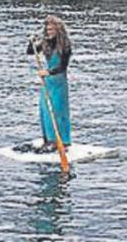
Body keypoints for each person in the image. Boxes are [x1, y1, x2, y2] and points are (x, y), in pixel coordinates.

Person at [26, 16, 73, 153]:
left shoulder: (65, 45)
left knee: (58, 111)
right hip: (47, 82)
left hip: (58, 81)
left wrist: (48, 72)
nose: (49, 31)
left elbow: (63, 67)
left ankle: (61, 141)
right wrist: (32, 43)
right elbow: (30, 52)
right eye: (47, 29)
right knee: (45, 111)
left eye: (52, 29)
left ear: (58, 29)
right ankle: (48, 140)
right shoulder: (46, 42)